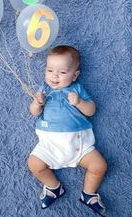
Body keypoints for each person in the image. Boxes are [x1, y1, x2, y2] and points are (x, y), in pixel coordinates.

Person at [28, 45, 107, 216]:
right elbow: (34, 112)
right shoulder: (43, 90)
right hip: (49, 145)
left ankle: (89, 193)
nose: (54, 76)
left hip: (78, 144)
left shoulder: (76, 89)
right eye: (49, 70)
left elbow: (91, 110)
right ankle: (53, 187)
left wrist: (79, 102)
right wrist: (37, 103)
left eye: (62, 72)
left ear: (75, 75)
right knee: (34, 164)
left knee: (99, 165)